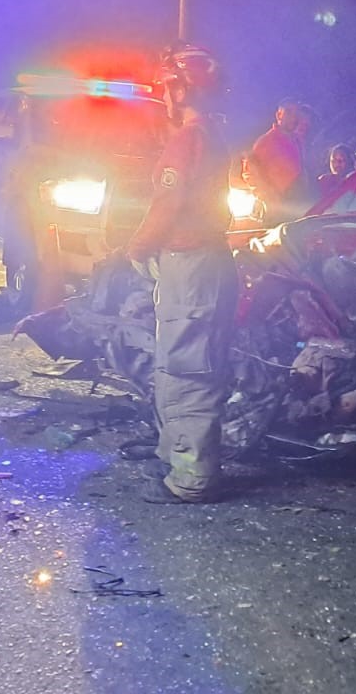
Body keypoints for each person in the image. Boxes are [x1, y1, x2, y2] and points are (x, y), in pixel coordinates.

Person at [126, 44, 237, 504]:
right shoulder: (212, 134)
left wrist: (136, 246)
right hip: (203, 263)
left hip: (191, 267)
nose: (164, 96)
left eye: (167, 87)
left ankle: (191, 478)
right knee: (182, 359)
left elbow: (168, 202)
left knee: (188, 366)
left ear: (180, 88)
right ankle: (175, 453)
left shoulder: (188, 138)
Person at [244, 98, 311, 220]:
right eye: (289, 112)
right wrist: (268, 198)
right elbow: (250, 173)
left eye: (296, 113)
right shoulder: (265, 142)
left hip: (298, 208)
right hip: (277, 211)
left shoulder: (298, 140)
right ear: (278, 115)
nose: (293, 117)